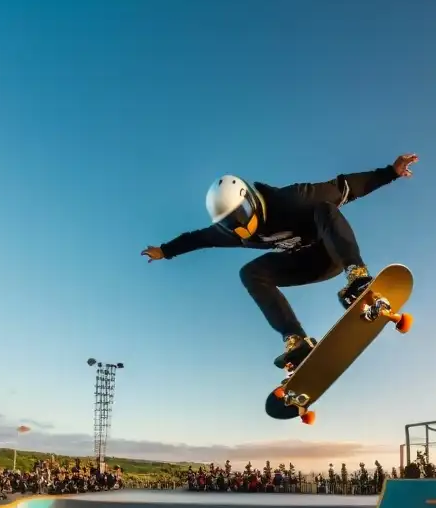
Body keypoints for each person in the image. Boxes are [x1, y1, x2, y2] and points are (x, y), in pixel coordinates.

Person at [142, 153, 418, 369]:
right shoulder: (235, 234)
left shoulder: (293, 199)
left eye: (241, 217)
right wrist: (165, 251)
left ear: (251, 201)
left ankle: (357, 277)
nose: (242, 229)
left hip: (334, 253)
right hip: (307, 264)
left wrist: (390, 173)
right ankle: (295, 339)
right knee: (251, 273)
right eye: (231, 225)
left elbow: (346, 187)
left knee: (325, 210)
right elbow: (198, 238)